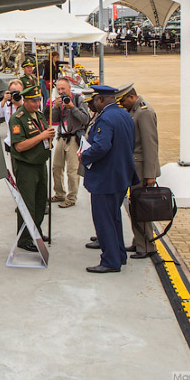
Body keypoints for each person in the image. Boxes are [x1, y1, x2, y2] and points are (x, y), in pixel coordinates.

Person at [79, 85, 137, 273]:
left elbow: (102, 146)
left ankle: (110, 260)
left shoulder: (106, 119)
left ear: (101, 100)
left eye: (95, 100)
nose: (93, 104)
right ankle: (119, 254)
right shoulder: (124, 115)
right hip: (121, 175)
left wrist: (84, 157)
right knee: (114, 218)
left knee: (104, 219)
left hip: (106, 178)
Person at [9, 85, 55, 252]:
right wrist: (42, 136)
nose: (37, 104)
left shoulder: (40, 115)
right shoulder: (18, 118)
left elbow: (44, 134)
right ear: (25, 101)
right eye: (33, 101)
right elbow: (20, 146)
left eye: (38, 100)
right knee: (28, 203)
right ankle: (25, 238)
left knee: (41, 201)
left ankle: (36, 231)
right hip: (26, 165)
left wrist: (49, 135)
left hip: (40, 163)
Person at [117, 84, 160, 260]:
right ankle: (139, 241)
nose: (122, 104)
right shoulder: (135, 111)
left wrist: (151, 174)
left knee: (142, 208)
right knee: (135, 206)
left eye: (123, 101)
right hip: (135, 166)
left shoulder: (144, 112)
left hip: (142, 167)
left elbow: (150, 144)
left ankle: (147, 245)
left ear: (130, 96)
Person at [50, 77, 90, 208]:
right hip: (61, 137)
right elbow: (53, 120)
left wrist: (72, 107)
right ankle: (59, 193)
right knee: (56, 167)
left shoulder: (79, 100)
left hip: (74, 138)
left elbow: (85, 119)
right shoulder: (59, 102)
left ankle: (71, 197)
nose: (61, 92)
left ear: (69, 88)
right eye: (59, 89)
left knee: (72, 170)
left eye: (63, 89)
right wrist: (55, 107)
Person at [0, 78, 24, 155]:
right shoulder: (7, 104)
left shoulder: (26, 102)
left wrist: (20, 104)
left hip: (24, 141)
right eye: (14, 92)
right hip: (11, 141)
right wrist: (4, 100)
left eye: (18, 92)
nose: (16, 94)